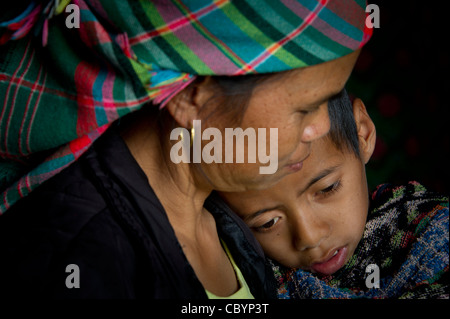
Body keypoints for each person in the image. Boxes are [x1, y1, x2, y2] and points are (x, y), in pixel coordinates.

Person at [0, 1, 371, 298]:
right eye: (305, 108)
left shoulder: (225, 218)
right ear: (194, 100)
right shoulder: (86, 258)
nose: (321, 127)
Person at [219, 90, 449, 298]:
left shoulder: (435, 235)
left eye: (328, 188)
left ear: (363, 134)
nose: (309, 237)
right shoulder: (248, 274)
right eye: (268, 222)